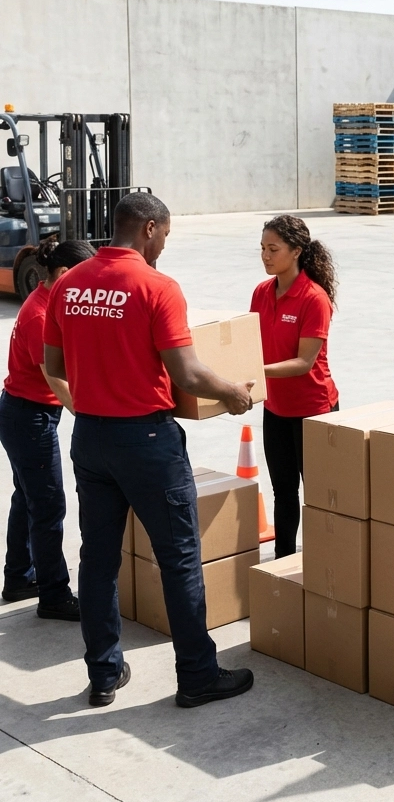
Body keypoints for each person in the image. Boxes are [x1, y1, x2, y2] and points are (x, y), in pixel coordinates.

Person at [43, 193, 256, 708]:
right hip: (147, 440)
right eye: (165, 235)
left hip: (90, 436)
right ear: (149, 230)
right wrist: (232, 391)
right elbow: (186, 372)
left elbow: (57, 365)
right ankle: (198, 675)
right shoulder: (156, 286)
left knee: (97, 559)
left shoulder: (68, 284)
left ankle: (104, 673)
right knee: (179, 558)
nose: (164, 244)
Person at [1, 237, 95, 618]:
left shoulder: (52, 301)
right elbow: (56, 378)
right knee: (48, 505)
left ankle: (19, 577)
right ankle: (54, 595)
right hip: (29, 417)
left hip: (24, 412)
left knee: (27, 497)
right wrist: (88, 416)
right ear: (62, 274)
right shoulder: (40, 313)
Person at [250, 215, 339, 559]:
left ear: (297, 251)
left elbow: (304, 363)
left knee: (318, 495)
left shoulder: (313, 299)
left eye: (273, 249)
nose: (266, 256)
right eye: (262, 248)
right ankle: (284, 563)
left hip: (313, 410)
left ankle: (324, 561)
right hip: (276, 409)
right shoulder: (261, 292)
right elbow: (249, 344)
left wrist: (255, 371)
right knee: (283, 492)